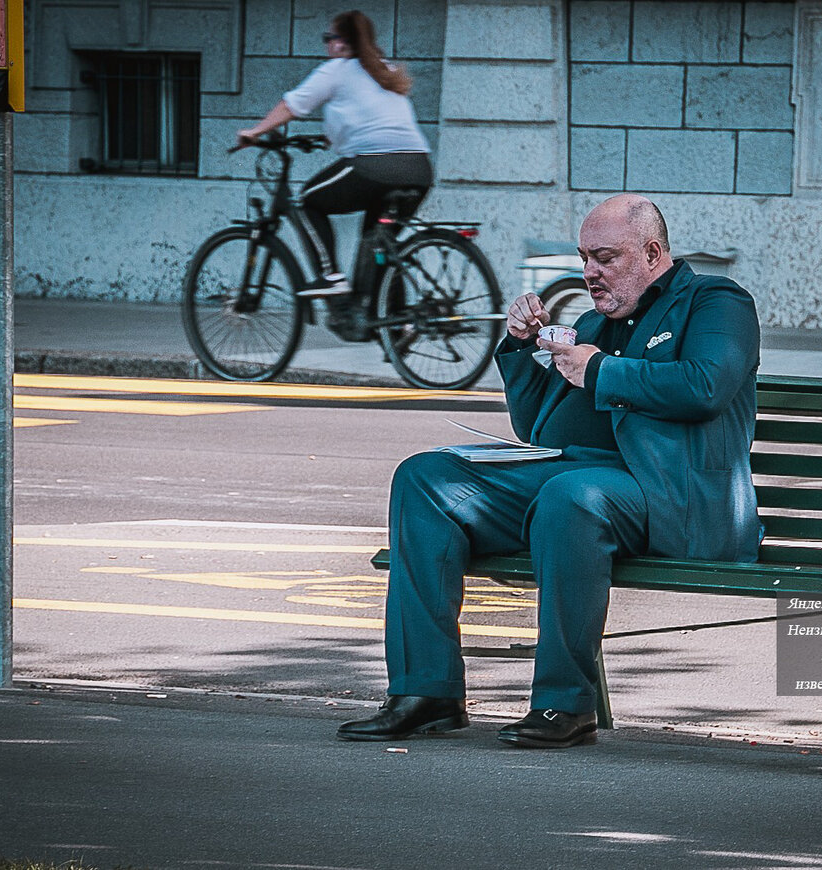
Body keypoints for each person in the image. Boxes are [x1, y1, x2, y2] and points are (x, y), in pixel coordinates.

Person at [338, 194, 762, 748]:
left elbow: (705, 387)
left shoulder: (716, 303)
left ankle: (566, 703)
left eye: (605, 258)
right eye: (585, 257)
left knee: (572, 496)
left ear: (653, 252)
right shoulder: (594, 322)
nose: (590, 272)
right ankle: (427, 692)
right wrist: (518, 351)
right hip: (592, 481)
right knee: (426, 479)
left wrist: (602, 369)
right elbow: (544, 430)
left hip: (678, 497)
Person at [236, 9, 432, 339]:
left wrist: (255, 131)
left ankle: (330, 276)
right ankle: (397, 321)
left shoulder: (337, 70)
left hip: (376, 165)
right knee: (379, 243)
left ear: (343, 43)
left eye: (329, 38)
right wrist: (326, 138)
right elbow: (370, 118)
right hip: (419, 169)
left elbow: (292, 105)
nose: (327, 45)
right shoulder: (385, 72)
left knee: (308, 200)